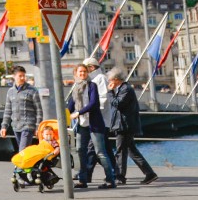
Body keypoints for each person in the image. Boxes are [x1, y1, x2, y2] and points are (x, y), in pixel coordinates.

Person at [67, 61, 121, 189]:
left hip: (95, 124)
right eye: (80, 72)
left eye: (84, 72)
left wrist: (78, 112)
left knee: (100, 152)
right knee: (80, 150)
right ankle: (83, 180)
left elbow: (93, 103)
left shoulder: (92, 86)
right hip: (82, 124)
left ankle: (110, 180)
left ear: (87, 73)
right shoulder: (76, 87)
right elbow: (71, 104)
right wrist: (64, 115)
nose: (82, 74)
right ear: (76, 74)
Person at [104, 69, 157, 185]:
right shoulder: (122, 89)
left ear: (116, 79)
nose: (109, 82)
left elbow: (117, 103)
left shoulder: (125, 89)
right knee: (131, 150)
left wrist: (110, 92)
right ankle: (149, 173)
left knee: (120, 151)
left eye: (110, 80)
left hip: (124, 125)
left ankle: (120, 176)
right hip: (123, 124)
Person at [0, 67, 42, 148]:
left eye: (24, 76)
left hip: (28, 126)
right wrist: (4, 127)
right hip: (16, 127)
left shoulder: (32, 90)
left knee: (22, 151)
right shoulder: (10, 92)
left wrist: (38, 127)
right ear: (14, 76)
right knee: (24, 152)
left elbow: (39, 110)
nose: (23, 78)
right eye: (20, 76)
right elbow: (8, 111)